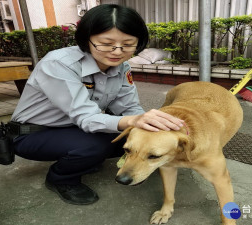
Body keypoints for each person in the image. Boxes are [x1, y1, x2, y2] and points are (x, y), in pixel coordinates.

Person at [10, 4, 184, 205]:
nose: (117, 51)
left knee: (130, 137)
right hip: (32, 134)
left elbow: (129, 107)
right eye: (106, 43)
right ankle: (61, 179)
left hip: (73, 128)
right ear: (87, 39)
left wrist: (149, 131)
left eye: (128, 44)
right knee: (98, 144)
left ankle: (83, 160)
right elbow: (86, 117)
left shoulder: (121, 66)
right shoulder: (59, 64)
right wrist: (135, 121)